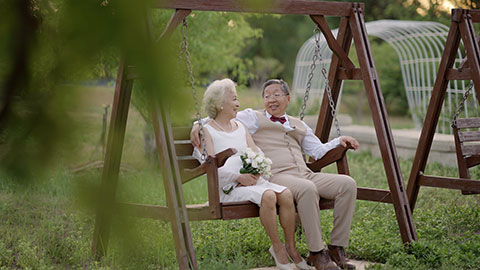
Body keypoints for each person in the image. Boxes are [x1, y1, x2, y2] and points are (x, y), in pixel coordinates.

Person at [192, 79, 359, 270]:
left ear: (287, 99)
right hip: (278, 175)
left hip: (305, 173)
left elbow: (318, 151)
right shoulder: (252, 117)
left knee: (347, 184)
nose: (271, 99)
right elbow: (221, 116)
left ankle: (337, 248)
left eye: (276, 94)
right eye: (267, 96)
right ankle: (317, 252)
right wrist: (198, 124)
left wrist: (339, 140)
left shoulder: (299, 124)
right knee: (307, 189)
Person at [195, 79, 309, 270]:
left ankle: (291, 247)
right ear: (220, 104)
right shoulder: (207, 131)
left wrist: (258, 170)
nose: (238, 104)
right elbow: (209, 165)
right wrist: (238, 178)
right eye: (234, 99)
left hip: (253, 183)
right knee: (269, 195)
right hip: (228, 189)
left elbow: (257, 152)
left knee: (287, 194)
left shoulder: (240, 127)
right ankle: (277, 247)